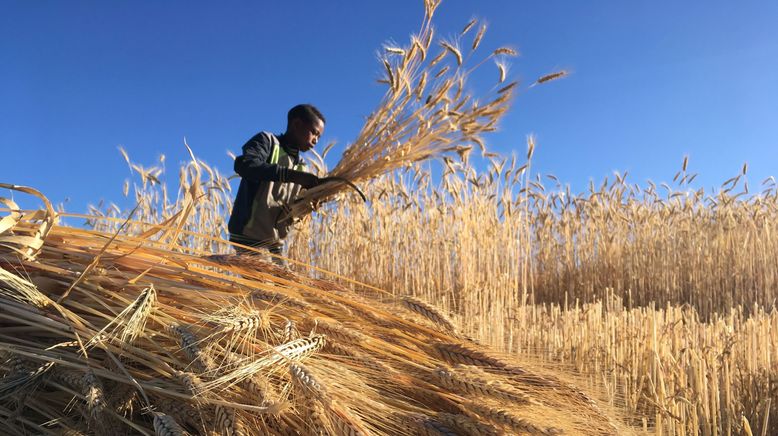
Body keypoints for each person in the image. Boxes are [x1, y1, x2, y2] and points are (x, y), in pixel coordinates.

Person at [228, 104, 325, 264]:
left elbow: (293, 205)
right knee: (260, 288)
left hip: (274, 243)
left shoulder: (302, 166)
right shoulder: (268, 142)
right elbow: (244, 164)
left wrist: (308, 203)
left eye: (319, 137)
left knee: (284, 287)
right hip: (248, 236)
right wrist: (290, 175)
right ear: (297, 124)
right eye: (314, 133)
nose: (315, 140)